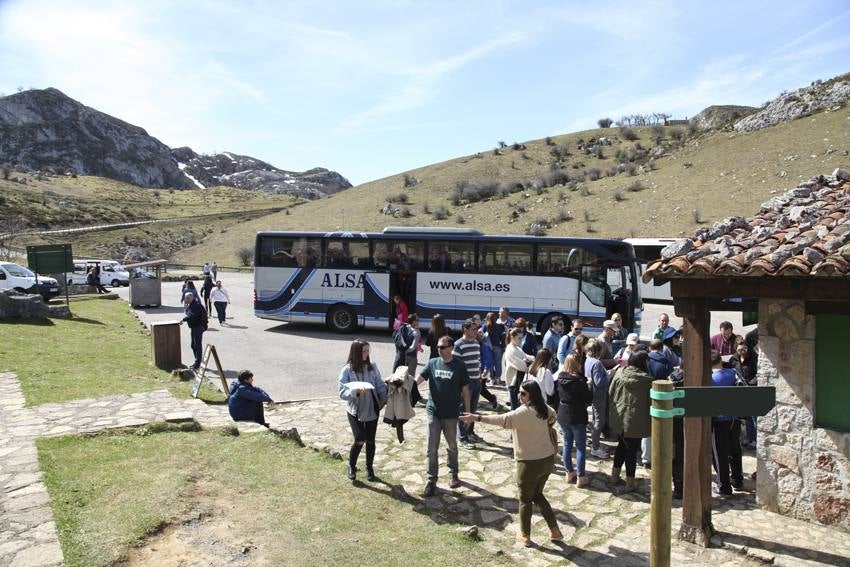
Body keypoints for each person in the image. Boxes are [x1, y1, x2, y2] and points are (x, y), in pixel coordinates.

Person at [459, 380, 563, 547]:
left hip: (528, 463)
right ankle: (555, 531)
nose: (519, 395)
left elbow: (500, 419)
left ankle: (525, 535)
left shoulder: (522, 413)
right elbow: (553, 416)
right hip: (547, 460)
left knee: (525, 500)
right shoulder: (543, 408)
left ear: (532, 396)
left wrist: (475, 417)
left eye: (523, 393)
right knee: (538, 495)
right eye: (519, 392)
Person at [416, 335, 471, 497]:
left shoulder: (459, 366)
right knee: (431, 447)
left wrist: (468, 412)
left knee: (452, 446)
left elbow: (466, 390)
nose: (439, 350)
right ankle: (431, 479)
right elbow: (418, 379)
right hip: (434, 412)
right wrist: (406, 385)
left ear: (451, 348)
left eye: (442, 347)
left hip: (451, 415)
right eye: (438, 347)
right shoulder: (432, 363)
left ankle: (453, 472)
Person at [339, 339, 388, 482]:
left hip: (372, 409)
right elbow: (342, 392)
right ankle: (351, 466)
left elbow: (379, 384)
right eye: (364, 351)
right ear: (356, 352)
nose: (367, 354)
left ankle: (369, 468)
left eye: (368, 351)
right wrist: (355, 392)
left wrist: (386, 397)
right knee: (360, 439)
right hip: (355, 411)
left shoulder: (372, 367)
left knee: (371, 441)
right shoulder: (347, 370)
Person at [607, 350, 653, 492]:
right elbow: (651, 403)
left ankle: (614, 477)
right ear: (643, 362)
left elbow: (610, 393)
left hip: (619, 417)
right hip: (635, 421)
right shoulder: (647, 381)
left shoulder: (620, 373)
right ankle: (630, 483)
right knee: (631, 451)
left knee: (622, 446)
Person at [710, 349, 743, 495]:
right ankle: (737, 479)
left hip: (718, 420)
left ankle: (723, 485)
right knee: (735, 448)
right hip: (734, 418)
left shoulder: (709, 379)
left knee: (719, 452)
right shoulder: (733, 373)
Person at [556, 352, 592, 487]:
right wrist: (589, 386)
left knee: (567, 444)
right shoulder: (580, 381)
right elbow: (588, 399)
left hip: (563, 414)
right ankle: (581, 477)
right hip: (577, 415)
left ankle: (569, 472)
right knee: (580, 447)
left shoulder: (560, 378)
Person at [454, 319, 484, 448]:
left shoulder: (477, 343)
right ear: (465, 330)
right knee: (463, 410)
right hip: (466, 384)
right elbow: (456, 367)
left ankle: (470, 432)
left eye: (476, 329)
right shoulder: (458, 345)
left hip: (477, 381)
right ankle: (463, 437)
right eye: (473, 329)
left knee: (473, 409)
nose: (476, 331)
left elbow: (478, 360)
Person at [585, 338, 610, 459]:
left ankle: (596, 444)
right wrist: (609, 375)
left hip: (592, 395)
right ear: (599, 350)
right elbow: (599, 382)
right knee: (599, 421)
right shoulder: (597, 363)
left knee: (595, 419)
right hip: (599, 395)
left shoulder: (588, 360)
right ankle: (595, 448)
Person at [383, 365, 416, 444]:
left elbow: (415, 394)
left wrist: (412, 402)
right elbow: (385, 393)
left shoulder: (410, 380)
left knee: (403, 419)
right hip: (395, 407)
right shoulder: (391, 380)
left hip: (406, 404)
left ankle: (400, 435)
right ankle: (401, 440)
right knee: (399, 421)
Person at [504, 328, 534, 410]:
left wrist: (532, 359)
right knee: (515, 406)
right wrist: (528, 362)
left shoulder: (517, 348)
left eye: (522, 338)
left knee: (519, 405)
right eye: (519, 338)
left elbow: (528, 357)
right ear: (512, 337)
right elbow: (522, 366)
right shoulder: (510, 349)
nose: (521, 340)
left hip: (519, 379)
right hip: (514, 381)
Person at [180, 291, 207, 371]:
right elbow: (189, 313)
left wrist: (183, 319)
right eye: (186, 298)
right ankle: (197, 361)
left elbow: (192, 315)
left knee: (197, 345)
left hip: (198, 327)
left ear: (192, 298)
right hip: (194, 327)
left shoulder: (196, 305)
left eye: (188, 298)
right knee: (193, 345)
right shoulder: (191, 305)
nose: (186, 299)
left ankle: (198, 364)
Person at [483, 312, 506, 385]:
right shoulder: (499, 326)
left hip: (488, 347)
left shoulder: (485, 326)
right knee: (498, 363)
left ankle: (492, 379)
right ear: (495, 319)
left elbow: (481, 335)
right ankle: (498, 378)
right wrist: (503, 345)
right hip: (497, 346)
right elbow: (503, 336)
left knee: (490, 363)